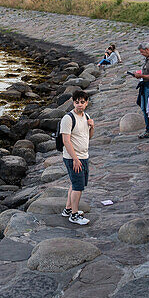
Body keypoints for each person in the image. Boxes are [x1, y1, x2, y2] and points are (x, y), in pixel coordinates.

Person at [60, 90, 94, 225]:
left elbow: (88, 137)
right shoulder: (68, 118)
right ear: (73, 103)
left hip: (84, 155)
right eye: (77, 102)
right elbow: (66, 141)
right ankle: (74, 215)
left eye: (82, 102)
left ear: (86, 103)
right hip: (73, 157)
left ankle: (68, 209)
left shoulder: (86, 116)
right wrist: (75, 159)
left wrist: (92, 127)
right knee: (78, 187)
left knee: (76, 184)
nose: (79, 105)